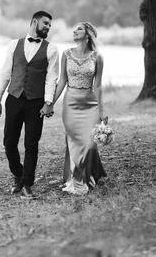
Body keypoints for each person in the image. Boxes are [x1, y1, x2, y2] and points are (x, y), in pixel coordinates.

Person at [0, 11, 59, 199]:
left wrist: (48, 102)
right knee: (9, 143)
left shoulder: (52, 49)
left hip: (36, 102)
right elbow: (5, 72)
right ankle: (18, 175)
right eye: (45, 23)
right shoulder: (14, 45)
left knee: (31, 144)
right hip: (14, 98)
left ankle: (28, 185)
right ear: (34, 22)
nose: (47, 27)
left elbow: (52, 77)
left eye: (49, 25)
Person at [52, 22, 107, 195]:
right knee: (74, 142)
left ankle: (87, 175)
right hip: (70, 103)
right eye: (74, 29)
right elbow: (62, 81)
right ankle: (76, 180)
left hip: (90, 104)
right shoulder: (66, 54)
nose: (74, 31)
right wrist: (50, 103)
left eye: (79, 29)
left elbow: (97, 86)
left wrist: (102, 111)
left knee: (89, 143)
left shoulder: (97, 57)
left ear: (88, 34)